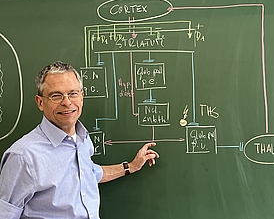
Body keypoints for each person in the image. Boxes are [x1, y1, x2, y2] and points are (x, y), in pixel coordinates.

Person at [0, 61, 159, 219]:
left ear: (81, 97)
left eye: (73, 93)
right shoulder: (23, 157)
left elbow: (89, 173)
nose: (67, 102)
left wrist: (131, 166)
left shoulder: (82, 138)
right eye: (56, 95)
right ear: (40, 102)